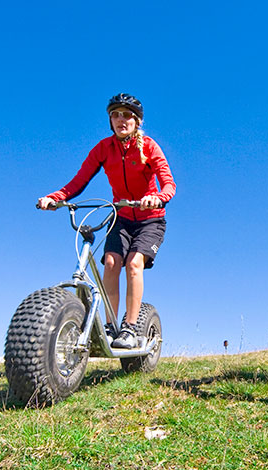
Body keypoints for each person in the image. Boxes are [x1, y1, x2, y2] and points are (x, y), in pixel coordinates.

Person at [38, 93, 176, 348]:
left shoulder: (148, 146)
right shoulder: (104, 148)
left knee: (134, 263)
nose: (121, 119)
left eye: (127, 115)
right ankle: (111, 326)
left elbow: (168, 182)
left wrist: (158, 197)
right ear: (110, 120)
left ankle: (130, 328)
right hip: (121, 217)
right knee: (111, 263)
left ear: (136, 121)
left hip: (150, 220)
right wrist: (55, 198)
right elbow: (79, 181)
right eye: (115, 115)